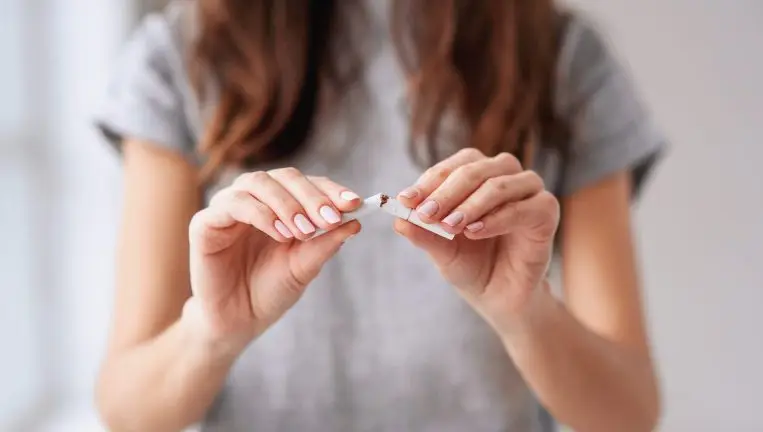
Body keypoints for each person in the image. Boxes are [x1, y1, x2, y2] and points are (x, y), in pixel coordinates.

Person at [94, 0, 666, 431]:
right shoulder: (182, 53)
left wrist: (526, 312)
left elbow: (629, 413)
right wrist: (212, 334)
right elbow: (128, 408)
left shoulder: (560, 57)